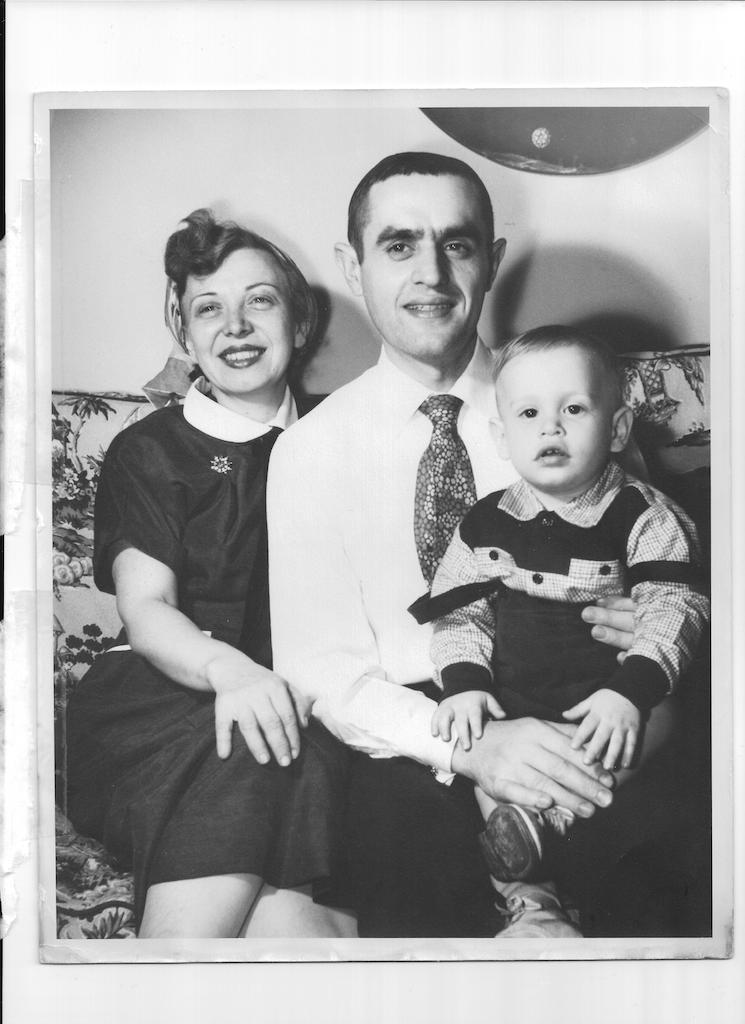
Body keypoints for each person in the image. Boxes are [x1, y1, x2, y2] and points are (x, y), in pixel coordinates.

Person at [267, 152, 642, 938]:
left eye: (458, 244)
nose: (431, 273)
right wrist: (471, 752)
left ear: (492, 260)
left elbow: (650, 557)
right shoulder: (310, 450)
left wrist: (646, 623)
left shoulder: (565, 400)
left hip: (587, 708)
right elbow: (321, 668)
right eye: (398, 245)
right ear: (353, 264)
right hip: (417, 746)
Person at [65, 209, 354, 940]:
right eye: (208, 308)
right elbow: (147, 607)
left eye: (259, 300)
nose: (235, 326)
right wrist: (234, 673)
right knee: (255, 742)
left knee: (306, 802)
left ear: (299, 318)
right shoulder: (152, 450)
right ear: (183, 331)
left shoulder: (345, 435)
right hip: (158, 698)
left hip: (299, 697)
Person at [416, 325, 710, 883]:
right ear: (503, 439)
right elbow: (459, 610)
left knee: (652, 727)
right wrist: (465, 682)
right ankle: (517, 835)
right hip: (515, 694)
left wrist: (632, 692)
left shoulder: (647, 517)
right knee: (480, 743)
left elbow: (676, 607)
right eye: (528, 415)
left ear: (619, 427)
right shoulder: (484, 521)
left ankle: (550, 820)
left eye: (574, 408)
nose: (550, 426)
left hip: (613, 693)